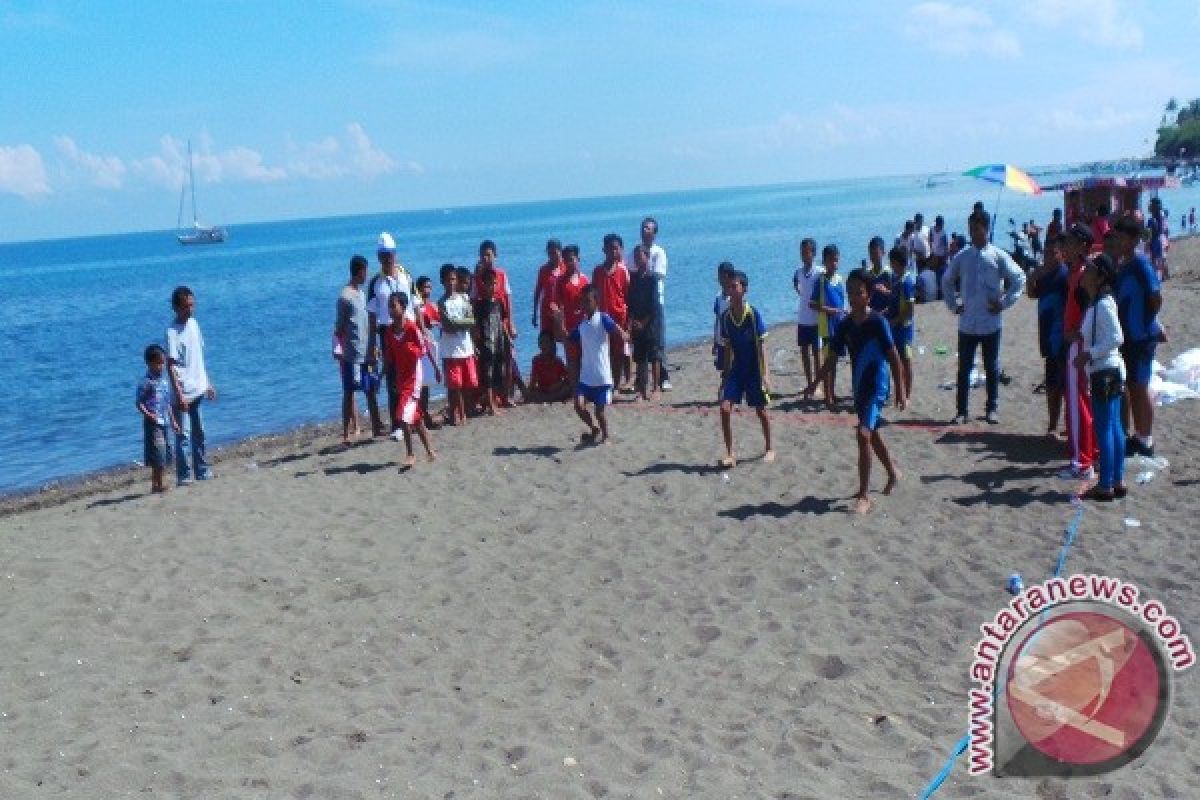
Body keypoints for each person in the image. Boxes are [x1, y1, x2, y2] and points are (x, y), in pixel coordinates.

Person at [804, 270, 906, 515]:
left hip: (877, 388)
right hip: (859, 389)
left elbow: (894, 358)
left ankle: (864, 495)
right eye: (849, 292)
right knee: (870, 434)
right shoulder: (845, 325)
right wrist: (816, 384)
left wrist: (901, 391)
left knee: (862, 435)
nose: (853, 296)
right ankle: (892, 472)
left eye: (858, 292)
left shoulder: (877, 323)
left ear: (868, 295)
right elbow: (830, 360)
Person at [941, 210, 1026, 425]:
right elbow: (947, 280)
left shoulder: (997, 255)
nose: (973, 233)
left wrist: (1004, 302)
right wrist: (953, 304)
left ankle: (992, 408)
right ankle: (962, 411)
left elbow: (1018, 278)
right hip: (968, 323)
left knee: (991, 366)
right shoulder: (963, 256)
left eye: (977, 229)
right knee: (964, 368)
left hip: (990, 322)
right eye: (970, 229)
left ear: (986, 229)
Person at [1073, 254, 1126, 502]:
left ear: (1101, 276)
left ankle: (1106, 484)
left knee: (1105, 427)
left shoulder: (1103, 304)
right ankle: (1116, 479)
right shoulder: (1100, 303)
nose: (1085, 272)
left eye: (1090, 269)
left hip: (1104, 371)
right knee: (1114, 426)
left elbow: (1116, 337)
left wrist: (1088, 355)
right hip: (1109, 369)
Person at [1110, 215, 1164, 458]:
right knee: (1131, 387)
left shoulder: (1141, 264)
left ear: (1133, 239)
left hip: (1141, 337)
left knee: (1141, 387)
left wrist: (1148, 321)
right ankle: (1138, 435)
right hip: (1128, 338)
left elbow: (1155, 296)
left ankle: (1146, 439)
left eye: (1122, 237)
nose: (1118, 242)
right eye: (1116, 237)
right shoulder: (1123, 265)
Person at [553, 284, 628, 445]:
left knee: (600, 412)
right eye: (583, 302)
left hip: (602, 377)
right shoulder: (582, 325)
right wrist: (560, 323)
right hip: (586, 377)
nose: (585, 305)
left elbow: (614, 328)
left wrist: (624, 334)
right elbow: (566, 338)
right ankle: (594, 428)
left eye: (588, 301)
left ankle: (606, 436)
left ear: (596, 302)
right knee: (578, 406)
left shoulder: (603, 318)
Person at [716, 269, 774, 468]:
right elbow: (728, 348)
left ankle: (769, 448)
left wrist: (765, 374)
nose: (731, 290)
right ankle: (730, 453)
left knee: (761, 411)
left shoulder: (752, 314)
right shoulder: (725, 317)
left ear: (744, 289)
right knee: (724, 408)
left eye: (735, 286)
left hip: (753, 369)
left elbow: (762, 345)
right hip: (736, 369)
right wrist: (724, 376)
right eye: (729, 286)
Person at [166, 286, 217, 484]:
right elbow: (170, 367)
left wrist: (208, 384)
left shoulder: (194, 325)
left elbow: (199, 358)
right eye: (186, 307)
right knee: (183, 436)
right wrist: (179, 395)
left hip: (198, 389)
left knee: (200, 433)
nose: (191, 310)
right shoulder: (172, 333)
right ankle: (184, 476)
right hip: (183, 393)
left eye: (192, 305)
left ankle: (202, 471)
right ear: (177, 308)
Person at [366, 232, 416, 437]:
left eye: (391, 254)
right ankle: (398, 424)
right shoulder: (375, 283)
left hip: (408, 328)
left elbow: (416, 304)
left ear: (395, 254)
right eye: (384, 254)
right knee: (393, 378)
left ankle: (412, 418)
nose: (388, 258)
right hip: (387, 332)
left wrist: (421, 330)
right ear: (379, 257)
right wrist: (371, 345)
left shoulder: (406, 275)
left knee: (412, 376)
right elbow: (371, 316)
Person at [1060, 225, 1099, 479]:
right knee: (1081, 400)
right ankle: (1089, 453)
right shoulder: (1076, 271)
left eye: (1071, 242)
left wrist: (1078, 333)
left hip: (1079, 343)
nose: (1066, 247)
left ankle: (1082, 461)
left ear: (1083, 245)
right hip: (1076, 341)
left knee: (1077, 402)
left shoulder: (1085, 273)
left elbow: (1091, 308)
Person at [381, 292, 436, 467]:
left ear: (403, 308)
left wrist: (410, 349)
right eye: (389, 306)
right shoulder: (389, 331)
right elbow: (389, 357)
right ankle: (430, 451)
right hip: (401, 377)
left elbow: (423, 349)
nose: (390, 309)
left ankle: (410, 454)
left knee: (403, 417)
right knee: (416, 418)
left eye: (393, 305)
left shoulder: (412, 328)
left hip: (414, 377)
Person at [1026, 236, 1069, 437]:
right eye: (1046, 253)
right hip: (1047, 335)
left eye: (1053, 253)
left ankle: (1069, 425)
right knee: (1052, 383)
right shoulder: (1043, 275)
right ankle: (1052, 425)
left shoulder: (1065, 275)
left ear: (1062, 254)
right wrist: (1031, 277)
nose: (1049, 257)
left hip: (1062, 337)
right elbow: (1032, 294)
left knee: (1066, 384)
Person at [334, 255, 372, 443]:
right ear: (360, 271)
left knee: (369, 388)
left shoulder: (362, 293)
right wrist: (338, 350)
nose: (367, 274)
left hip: (366, 350)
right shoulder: (345, 297)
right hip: (351, 352)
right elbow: (339, 327)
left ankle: (374, 424)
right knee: (349, 392)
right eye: (366, 271)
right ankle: (346, 433)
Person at [474, 240, 518, 405]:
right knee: (488, 361)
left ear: (495, 255)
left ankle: (506, 395)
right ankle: (490, 398)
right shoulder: (477, 277)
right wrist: (476, 328)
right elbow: (474, 300)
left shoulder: (501, 274)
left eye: (489, 255)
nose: (486, 258)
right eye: (483, 255)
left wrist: (511, 323)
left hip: (502, 320)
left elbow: (508, 298)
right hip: (486, 322)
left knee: (507, 358)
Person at [437, 263, 477, 426]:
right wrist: (461, 323)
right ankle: (458, 414)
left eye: (453, 279)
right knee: (455, 385)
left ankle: (465, 411)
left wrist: (457, 323)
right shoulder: (442, 302)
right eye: (448, 280)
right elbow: (447, 325)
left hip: (465, 347)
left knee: (468, 383)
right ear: (443, 281)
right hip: (450, 350)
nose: (451, 283)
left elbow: (471, 321)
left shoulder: (464, 298)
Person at [136, 344, 179, 493]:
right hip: (152, 423)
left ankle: (158, 483)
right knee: (157, 453)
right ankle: (158, 484)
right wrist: (149, 414)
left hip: (164, 421)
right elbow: (139, 403)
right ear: (150, 363)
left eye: (163, 363)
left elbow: (167, 403)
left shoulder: (163, 380)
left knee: (165, 452)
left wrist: (173, 420)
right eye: (158, 363)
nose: (161, 366)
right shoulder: (146, 382)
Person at [809, 244, 847, 410]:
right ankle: (827, 395)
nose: (834, 263)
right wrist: (828, 310)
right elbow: (812, 304)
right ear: (824, 261)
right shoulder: (820, 281)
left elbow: (842, 301)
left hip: (839, 324)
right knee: (828, 361)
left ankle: (832, 391)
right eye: (831, 260)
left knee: (835, 361)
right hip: (826, 327)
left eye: (836, 260)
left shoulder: (839, 280)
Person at [592, 233, 631, 392]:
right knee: (603, 353)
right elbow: (593, 295)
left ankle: (616, 383)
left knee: (619, 354)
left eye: (616, 248)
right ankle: (605, 383)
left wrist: (628, 321)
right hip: (601, 319)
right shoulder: (597, 271)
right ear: (604, 250)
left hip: (619, 318)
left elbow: (628, 296)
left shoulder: (623, 271)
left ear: (620, 250)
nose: (613, 252)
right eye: (610, 248)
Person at [628, 244, 664, 401]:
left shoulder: (652, 278)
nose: (637, 259)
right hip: (637, 321)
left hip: (651, 322)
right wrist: (632, 320)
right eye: (635, 256)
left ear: (647, 257)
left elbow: (654, 304)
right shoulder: (633, 278)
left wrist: (644, 322)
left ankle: (656, 388)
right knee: (640, 356)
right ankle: (642, 389)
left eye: (640, 256)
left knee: (655, 355)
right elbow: (629, 301)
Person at [549, 244, 590, 384]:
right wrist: (561, 327)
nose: (569, 263)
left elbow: (591, 304)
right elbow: (554, 305)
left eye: (572, 259)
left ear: (578, 259)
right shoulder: (560, 281)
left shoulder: (584, 279)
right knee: (572, 359)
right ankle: (575, 390)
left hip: (584, 325)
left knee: (585, 357)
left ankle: (586, 389)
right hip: (568, 327)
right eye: (566, 260)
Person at [473, 268, 510, 416]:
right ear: (483, 284)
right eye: (489, 284)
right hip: (486, 344)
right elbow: (476, 327)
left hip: (499, 342)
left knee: (496, 373)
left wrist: (508, 339)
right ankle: (490, 405)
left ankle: (494, 402)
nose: (492, 287)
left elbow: (502, 322)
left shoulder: (499, 302)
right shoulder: (480, 305)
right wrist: (476, 344)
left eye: (495, 284)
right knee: (487, 375)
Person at [640, 217, 672, 390]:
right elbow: (631, 271)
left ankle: (664, 377)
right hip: (640, 302)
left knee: (658, 340)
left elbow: (658, 274)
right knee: (642, 341)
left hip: (656, 301)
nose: (645, 231)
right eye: (643, 228)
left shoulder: (659, 252)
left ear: (655, 233)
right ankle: (642, 380)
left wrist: (644, 267)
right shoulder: (635, 251)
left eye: (649, 228)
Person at [884, 246, 915, 402]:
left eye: (891, 262)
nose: (890, 265)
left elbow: (910, 309)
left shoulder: (907, 281)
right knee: (896, 361)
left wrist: (896, 320)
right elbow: (894, 300)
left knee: (906, 361)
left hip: (904, 328)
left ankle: (907, 394)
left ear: (897, 262)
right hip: (894, 327)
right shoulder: (896, 278)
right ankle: (900, 392)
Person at [793, 238, 822, 389]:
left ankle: (817, 384)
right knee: (804, 352)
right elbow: (795, 282)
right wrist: (799, 291)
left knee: (817, 353)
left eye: (807, 252)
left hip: (816, 319)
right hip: (802, 318)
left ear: (813, 253)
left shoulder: (819, 272)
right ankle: (809, 382)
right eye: (802, 252)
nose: (804, 255)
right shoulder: (798, 272)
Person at [415, 275, 443, 429]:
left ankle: (424, 414)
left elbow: (440, 322)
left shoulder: (432, 306)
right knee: (421, 383)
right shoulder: (417, 307)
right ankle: (422, 416)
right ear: (419, 289)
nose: (428, 290)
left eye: (430, 287)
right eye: (425, 287)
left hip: (431, 343)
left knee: (428, 382)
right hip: (421, 345)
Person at [525, 331, 572, 404]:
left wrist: (558, 384)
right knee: (532, 393)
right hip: (544, 391)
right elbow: (533, 381)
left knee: (568, 388)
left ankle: (551, 399)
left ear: (551, 344)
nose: (543, 345)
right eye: (541, 343)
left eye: (546, 342)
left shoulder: (557, 361)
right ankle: (551, 399)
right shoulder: (536, 360)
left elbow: (568, 377)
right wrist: (529, 392)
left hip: (557, 390)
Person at [531, 239, 564, 333]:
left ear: (560, 251)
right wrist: (534, 313)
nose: (552, 256)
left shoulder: (565, 267)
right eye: (550, 253)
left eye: (555, 253)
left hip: (562, 311)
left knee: (566, 339)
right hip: (547, 311)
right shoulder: (543, 270)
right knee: (547, 341)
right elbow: (537, 292)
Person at [865, 236, 893, 313]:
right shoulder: (868, 273)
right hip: (872, 313)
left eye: (876, 253)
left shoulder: (889, 273)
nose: (873, 256)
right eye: (871, 253)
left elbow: (895, 296)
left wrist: (885, 291)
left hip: (886, 312)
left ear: (883, 253)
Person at [1147, 196, 1170, 281]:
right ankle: (1165, 275)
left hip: (1157, 239)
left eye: (1151, 204)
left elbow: (1155, 230)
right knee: (1161, 258)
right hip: (1161, 238)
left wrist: (1149, 240)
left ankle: (1160, 275)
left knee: (1157, 258)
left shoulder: (1156, 216)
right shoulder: (1161, 214)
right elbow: (1165, 229)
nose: (1149, 206)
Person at [930, 215, 949, 298]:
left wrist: (945, 258)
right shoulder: (932, 230)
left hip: (941, 256)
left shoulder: (943, 233)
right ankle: (937, 292)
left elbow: (945, 247)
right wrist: (932, 251)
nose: (941, 225)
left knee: (941, 275)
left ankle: (941, 293)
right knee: (935, 275)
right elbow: (930, 240)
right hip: (935, 255)